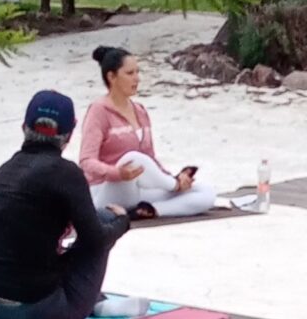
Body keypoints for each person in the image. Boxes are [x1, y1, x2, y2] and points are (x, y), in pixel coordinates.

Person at [0, 88, 132, 319]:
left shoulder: (5, 170)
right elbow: (95, 240)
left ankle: (87, 296)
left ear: (24, 127)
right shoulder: (66, 173)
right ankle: (92, 299)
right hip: (40, 315)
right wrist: (123, 222)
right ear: (69, 134)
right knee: (105, 219)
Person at [81, 46, 219, 219]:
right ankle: (173, 185)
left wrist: (173, 177)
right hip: (105, 191)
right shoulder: (99, 110)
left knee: (206, 193)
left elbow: (150, 159)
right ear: (112, 77)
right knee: (133, 158)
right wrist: (116, 173)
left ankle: (152, 210)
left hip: (138, 192)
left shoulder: (140, 111)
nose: (137, 79)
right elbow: (86, 161)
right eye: (130, 73)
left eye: (137, 72)